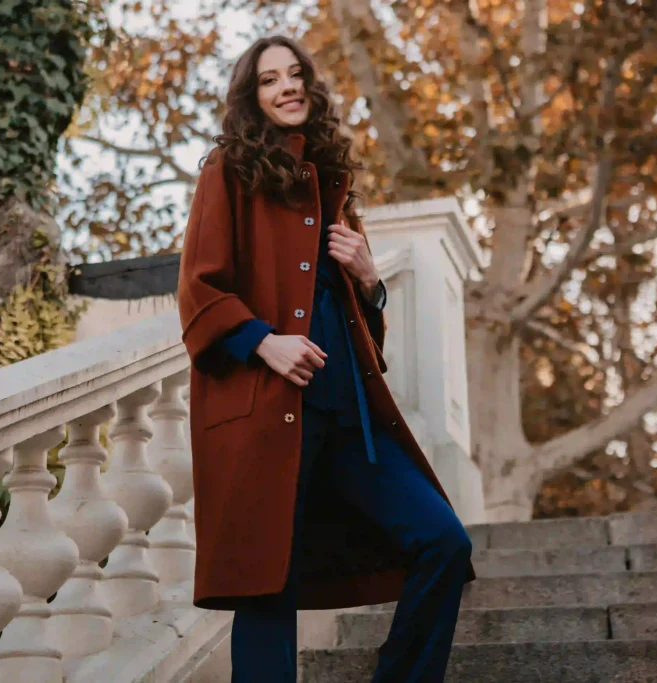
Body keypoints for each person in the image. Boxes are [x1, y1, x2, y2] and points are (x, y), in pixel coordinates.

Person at [176, 34, 475, 683]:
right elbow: (199, 288)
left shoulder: (333, 185)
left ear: (311, 88)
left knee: (445, 542)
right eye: (268, 79)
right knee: (266, 588)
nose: (286, 87)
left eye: (295, 75)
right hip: (266, 416)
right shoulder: (227, 170)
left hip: (351, 422)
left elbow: (368, 332)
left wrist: (371, 281)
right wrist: (264, 340)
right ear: (251, 98)